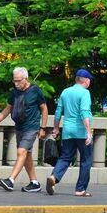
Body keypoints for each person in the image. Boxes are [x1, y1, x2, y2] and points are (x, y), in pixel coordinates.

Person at [0, 67, 49, 193]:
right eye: (14, 81)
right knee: (26, 155)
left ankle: (10, 180)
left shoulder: (35, 90)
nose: (16, 84)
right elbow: (8, 108)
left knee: (21, 152)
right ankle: (34, 183)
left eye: (18, 81)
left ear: (25, 79)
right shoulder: (15, 92)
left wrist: (43, 127)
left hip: (31, 127)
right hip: (19, 127)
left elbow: (44, 109)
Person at [46, 68, 94, 197]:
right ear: (86, 81)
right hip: (81, 131)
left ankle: (54, 177)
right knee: (86, 160)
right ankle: (80, 189)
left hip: (67, 131)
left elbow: (58, 112)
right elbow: (84, 112)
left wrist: (55, 128)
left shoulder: (65, 92)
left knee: (65, 157)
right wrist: (88, 132)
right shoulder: (85, 93)